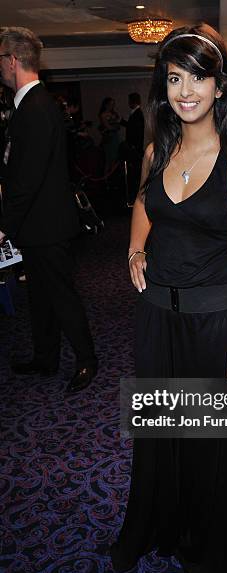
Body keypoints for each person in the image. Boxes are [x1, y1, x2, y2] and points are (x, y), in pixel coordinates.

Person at [110, 24, 227, 573]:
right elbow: (144, 202)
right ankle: (158, 525)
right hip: (157, 318)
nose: (185, 90)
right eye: (175, 78)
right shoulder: (158, 149)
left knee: (212, 444)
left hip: (214, 321)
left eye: (198, 77)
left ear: (221, 88)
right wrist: (134, 246)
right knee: (160, 435)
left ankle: (213, 544)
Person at [0, 26, 97, 393]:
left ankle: (87, 360)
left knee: (60, 296)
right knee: (39, 296)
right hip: (39, 224)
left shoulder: (36, 106)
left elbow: (28, 176)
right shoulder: (32, 104)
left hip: (47, 224)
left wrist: (4, 225)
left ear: (11, 60)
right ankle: (46, 357)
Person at [119, 92, 145, 204]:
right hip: (134, 148)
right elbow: (131, 127)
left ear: (132, 102)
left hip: (134, 149)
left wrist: (133, 147)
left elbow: (136, 132)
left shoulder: (138, 114)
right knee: (133, 174)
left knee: (134, 174)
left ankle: (134, 198)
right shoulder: (136, 113)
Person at [98, 96, 122, 175]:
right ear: (106, 104)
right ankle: (106, 178)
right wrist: (115, 125)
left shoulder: (114, 113)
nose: (112, 106)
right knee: (109, 158)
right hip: (109, 138)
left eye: (113, 104)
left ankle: (113, 177)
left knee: (115, 158)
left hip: (114, 136)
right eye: (111, 104)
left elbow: (118, 125)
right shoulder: (103, 114)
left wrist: (115, 125)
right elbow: (108, 127)